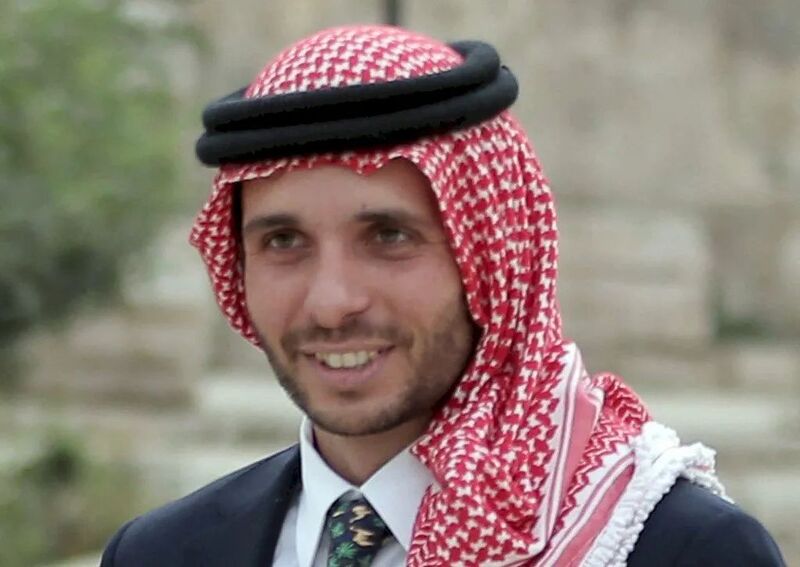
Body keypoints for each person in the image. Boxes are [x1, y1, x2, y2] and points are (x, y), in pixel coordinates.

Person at [100, 25, 785, 566]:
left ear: (491, 258)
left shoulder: (670, 548)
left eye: (389, 236)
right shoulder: (162, 552)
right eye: (284, 241)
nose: (331, 303)